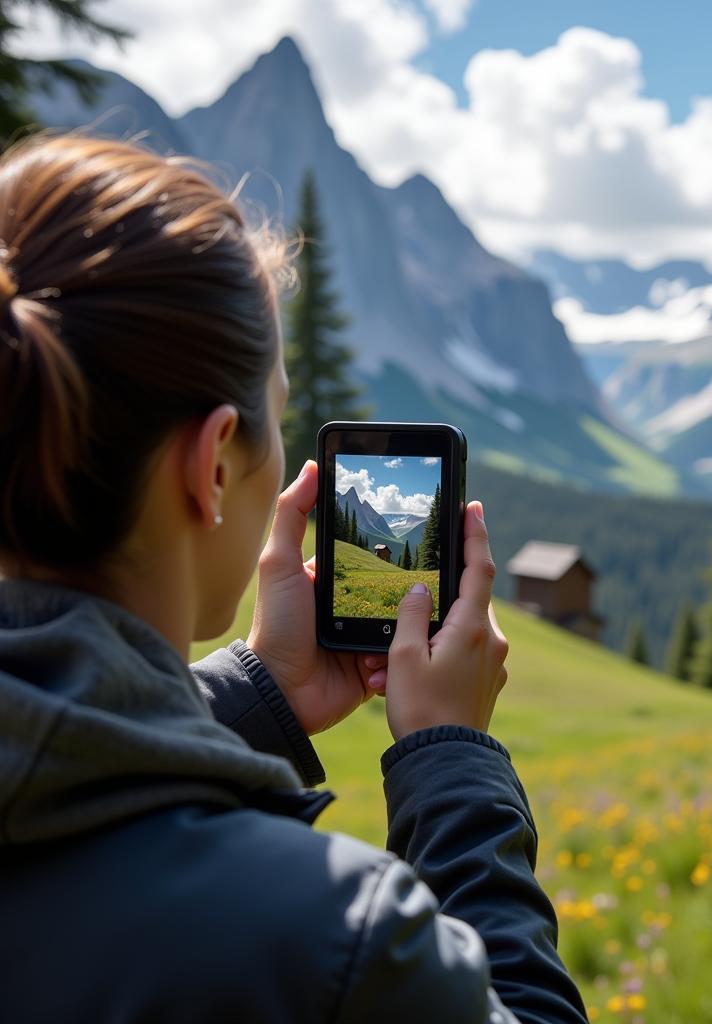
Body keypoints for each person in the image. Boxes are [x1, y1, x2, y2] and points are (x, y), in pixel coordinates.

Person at [0, 134, 588, 1024]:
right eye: (275, 416)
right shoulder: (331, 941)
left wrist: (256, 696)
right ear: (211, 468)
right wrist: (452, 764)